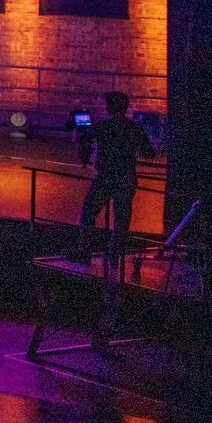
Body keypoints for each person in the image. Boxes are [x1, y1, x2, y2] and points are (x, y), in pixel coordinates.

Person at [78, 92, 154, 286]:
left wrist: (79, 130)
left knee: (88, 213)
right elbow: (149, 153)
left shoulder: (104, 127)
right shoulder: (134, 128)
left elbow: (81, 139)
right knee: (121, 220)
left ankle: (85, 252)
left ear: (110, 107)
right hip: (126, 179)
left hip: (105, 178)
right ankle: (113, 257)